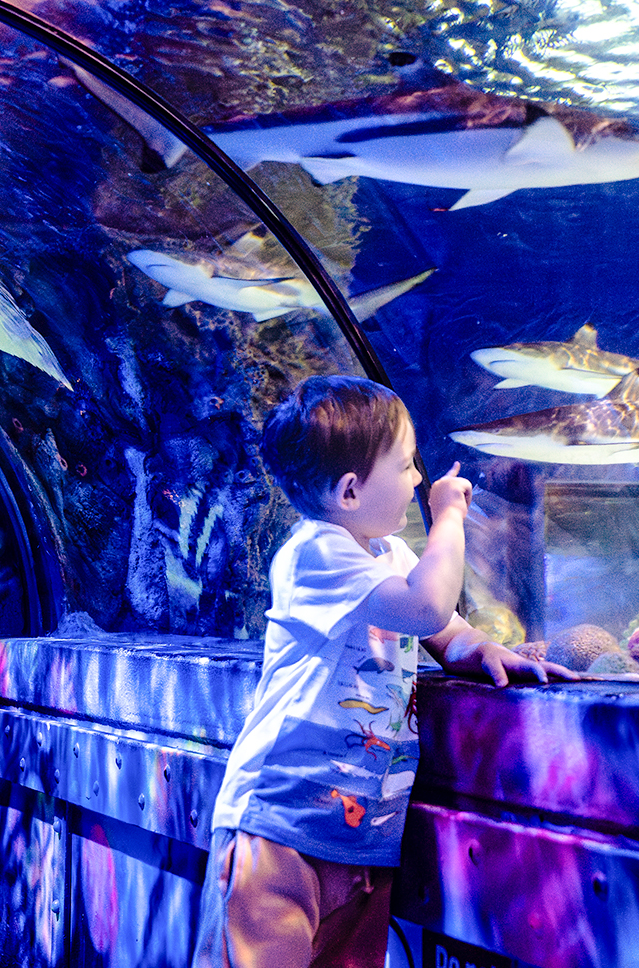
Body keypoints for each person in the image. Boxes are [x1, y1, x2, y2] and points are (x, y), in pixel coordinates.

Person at [194, 375, 572, 968]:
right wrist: (447, 518)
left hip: (362, 839)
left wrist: (484, 649)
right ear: (349, 492)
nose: (419, 478)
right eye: (405, 467)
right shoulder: (314, 554)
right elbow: (425, 607)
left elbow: (441, 627)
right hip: (279, 827)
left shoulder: (389, 557)